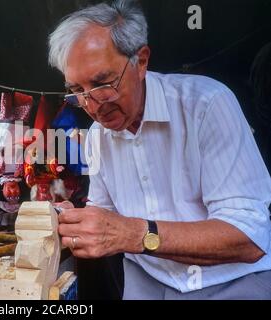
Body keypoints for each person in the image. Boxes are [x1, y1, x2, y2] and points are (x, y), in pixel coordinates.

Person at [49, 0, 271, 299]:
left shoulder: (206, 104)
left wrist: (133, 234)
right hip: (148, 282)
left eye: (103, 82)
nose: (92, 105)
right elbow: (105, 211)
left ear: (141, 61)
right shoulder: (97, 137)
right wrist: (72, 219)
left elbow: (249, 238)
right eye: (77, 91)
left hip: (232, 282)